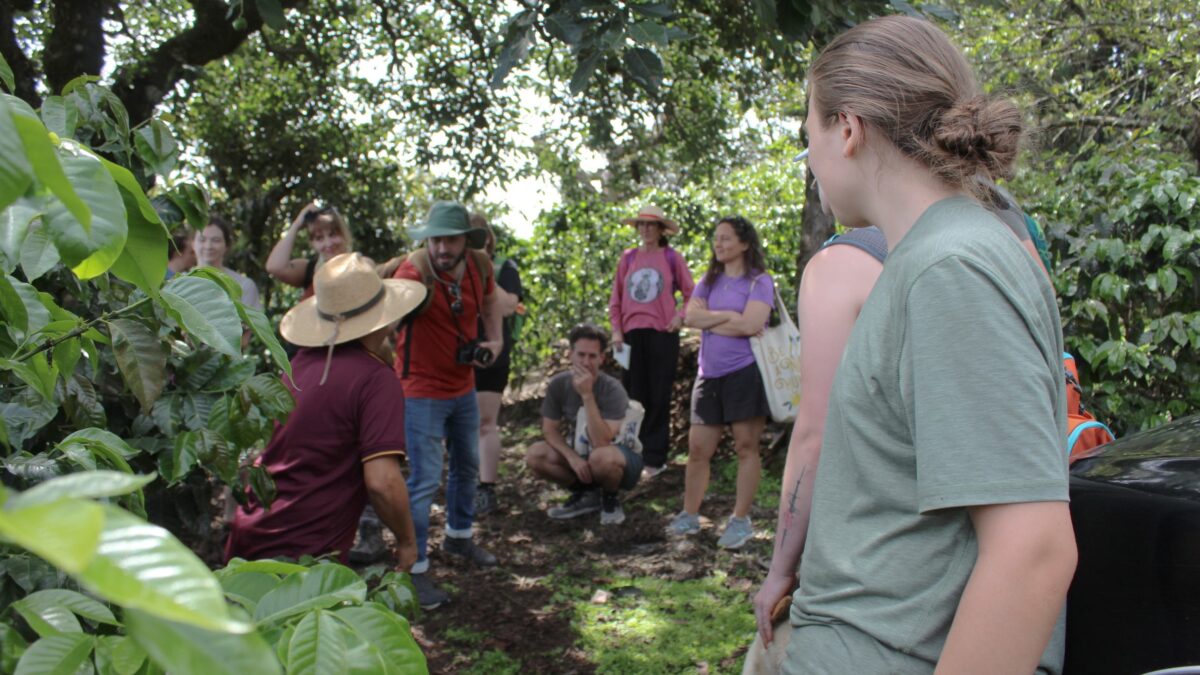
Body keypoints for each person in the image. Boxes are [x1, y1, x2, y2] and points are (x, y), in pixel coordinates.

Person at [772, 15, 1078, 674]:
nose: (813, 159)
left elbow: (1033, 552)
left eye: (810, 136)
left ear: (847, 129)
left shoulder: (952, 268)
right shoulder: (931, 257)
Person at [224, 253, 424, 573]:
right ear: (383, 316)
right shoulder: (375, 380)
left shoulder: (298, 365)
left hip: (249, 536)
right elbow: (382, 482)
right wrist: (407, 542)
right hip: (304, 555)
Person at [392, 200, 502, 610]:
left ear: (464, 241)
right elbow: (387, 317)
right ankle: (415, 569)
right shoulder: (413, 269)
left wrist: (495, 341)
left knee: (468, 465)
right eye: (435, 238)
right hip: (419, 388)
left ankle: (459, 537)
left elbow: (491, 304)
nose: (440, 247)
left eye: (449, 239)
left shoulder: (479, 266)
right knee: (423, 479)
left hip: (462, 383)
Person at [666, 216, 773, 549]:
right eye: (717, 238)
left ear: (744, 243)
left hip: (744, 372)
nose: (719, 244)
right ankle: (689, 514)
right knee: (698, 449)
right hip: (708, 375)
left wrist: (713, 322)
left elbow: (752, 324)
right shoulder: (708, 281)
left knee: (745, 447)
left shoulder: (760, 281)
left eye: (726, 238)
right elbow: (691, 317)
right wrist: (729, 318)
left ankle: (740, 520)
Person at [525, 323, 642, 526]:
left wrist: (587, 395)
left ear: (602, 359)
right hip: (582, 451)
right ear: (570, 354)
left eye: (592, 356)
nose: (586, 362)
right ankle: (586, 494)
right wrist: (572, 458)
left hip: (618, 456)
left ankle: (610, 499)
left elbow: (602, 440)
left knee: (601, 457)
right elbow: (549, 429)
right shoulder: (559, 384)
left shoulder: (612, 389)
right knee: (536, 454)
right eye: (581, 355)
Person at [608, 204, 695, 477]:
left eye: (650, 225)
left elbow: (692, 294)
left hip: (662, 334)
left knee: (659, 395)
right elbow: (616, 299)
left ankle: (655, 458)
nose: (645, 230)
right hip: (632, 335)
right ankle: (631, 452)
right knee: (634, 396)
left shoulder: (671, 258)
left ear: (660, 230)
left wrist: (680, 317)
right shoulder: (628, 258)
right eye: (641, 225)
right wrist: (616, 332)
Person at [472, 213, 524, 515]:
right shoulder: (451, 267)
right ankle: (463, 482)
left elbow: (508, 306)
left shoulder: (504, 267)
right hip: (454, 355)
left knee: (485, 423)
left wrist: (483, 266)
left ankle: (486, 488)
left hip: (492, 355)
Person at [265, 202, 352, 299]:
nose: (328, 244)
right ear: (312, 243)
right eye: (319, 238)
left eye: (333, 234)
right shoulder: (309, 270)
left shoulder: (362, 267)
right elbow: (275, 267)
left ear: (344, 234)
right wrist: (296, 225)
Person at [194, 215, 261, 310]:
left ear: (227, 246)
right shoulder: (178, 283)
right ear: (192, 243)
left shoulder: (243, 286)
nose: (208, 246)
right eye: (202, 240)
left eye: (216, 240)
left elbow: (251, 323)